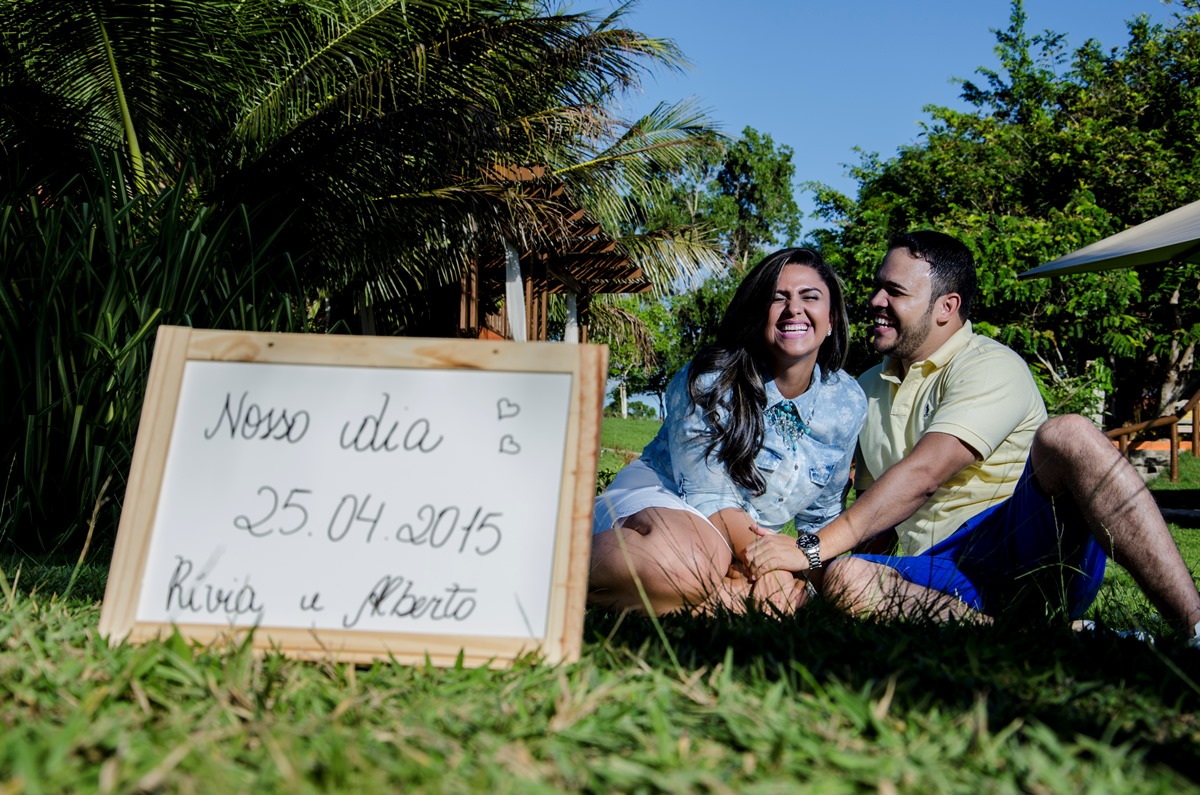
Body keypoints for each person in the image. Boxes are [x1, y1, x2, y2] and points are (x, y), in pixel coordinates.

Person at [744, 230, 1200, 640]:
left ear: (947, 307)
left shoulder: (989, 365)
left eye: (895, 291)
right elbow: (873, 520)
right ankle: (1037, 638)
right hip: (935, 572)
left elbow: (925, 474)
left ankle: (1194, 624)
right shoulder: (862, 388)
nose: (876, 300)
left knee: (1070, 434)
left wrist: (810, 549)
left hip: (1019, 549)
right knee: (842, 576)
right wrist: (819, 572)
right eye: (878, 286)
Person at [588, 248, 867, 615]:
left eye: (809, 297)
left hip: (738, 540)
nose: (794, 309)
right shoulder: (710, 379)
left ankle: (693, 597)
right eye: (777, 298)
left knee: (765, 590)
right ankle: (550, 560)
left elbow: (822, 515)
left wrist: (807, 581)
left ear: (830, 319)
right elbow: (708, 496)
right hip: (667, 496)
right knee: (691, 566)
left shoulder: (846, 402)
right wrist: (772, 565)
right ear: (757, 313)